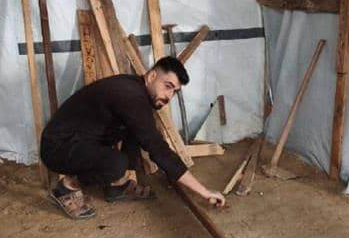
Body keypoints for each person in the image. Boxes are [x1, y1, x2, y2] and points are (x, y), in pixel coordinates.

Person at [40, 56, 225, 219]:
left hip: (81, 141)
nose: (169, 96)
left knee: (137, 131)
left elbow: (145, 135)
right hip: (57, 147)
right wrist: (204, 192)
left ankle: (117, 186)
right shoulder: (129, 96)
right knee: (116, 163)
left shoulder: (136, 91)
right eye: (167, 86)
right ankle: (66, 188)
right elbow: (157, 148)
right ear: (152, 76)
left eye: (174, 92)